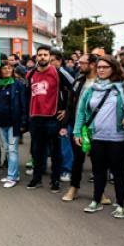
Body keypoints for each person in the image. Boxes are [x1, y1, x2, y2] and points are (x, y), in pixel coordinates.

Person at [74, 56, 124, 218]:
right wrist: (77, 132)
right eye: (99, 67)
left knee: (118, 172)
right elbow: (81, 112)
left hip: (118, 138)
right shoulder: (91, 89)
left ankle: (120, 204)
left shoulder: (122, 88)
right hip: (96, 137)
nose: (101, 70)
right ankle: (96, 201)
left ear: (114, 68)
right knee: (98, 171)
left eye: (106, 67)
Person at [25, 45, 72, 193]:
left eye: (46, 55)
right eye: (40, 55)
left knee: (55, 151)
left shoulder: (57, 73)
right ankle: (37, 178)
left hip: (52, 118)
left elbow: (72, 89)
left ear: (49, 57)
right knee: (37, 151)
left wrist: (65, 109)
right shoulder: (30, 74)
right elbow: (28, 94)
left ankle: (55, 180)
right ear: (36, 57)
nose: (43, 57)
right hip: (36, 118)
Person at [62, 54, 98, 202]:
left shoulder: (104, 82)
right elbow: (70, 104)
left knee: (98, 161)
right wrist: (64, 124)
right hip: (79, 127)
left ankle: (99, 192)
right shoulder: (78, 80)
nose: (79, 65)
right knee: (78, 160)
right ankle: (74, 188)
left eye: (83, 63)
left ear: (93, 64)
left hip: (98, 128)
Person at [0, 62, 27, 188]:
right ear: (0, 71)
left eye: (9, 68)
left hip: (13, 123)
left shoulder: (18, 85)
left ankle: (12, 177)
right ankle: (14, 174)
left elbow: (23, 104)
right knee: (7, 149)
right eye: (4, 68)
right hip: (0, 123)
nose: (7, 70)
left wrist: (23, 122)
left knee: (12, 150)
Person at [50, 50, 75, 183]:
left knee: (64, 142)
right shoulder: (46, 72)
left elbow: (75, 90)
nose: (50, 63)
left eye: (52, 60)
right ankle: (58, 168)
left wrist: (66, 110)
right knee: (55, 144)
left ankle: (67, 170)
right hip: (50, 114)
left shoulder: (64, 72)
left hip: (63, 115)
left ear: (59, 61)